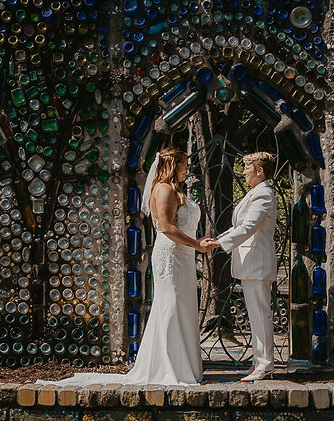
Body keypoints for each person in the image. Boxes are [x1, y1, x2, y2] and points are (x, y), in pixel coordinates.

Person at [37, 147, 208, 386]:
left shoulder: (175, 190)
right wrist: (197, 244)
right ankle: (168, 365)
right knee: (171, 305)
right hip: (172, 255)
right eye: (184, 165)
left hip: (184, 256)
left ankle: (184, 364)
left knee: (182, 305)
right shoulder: (165, 189)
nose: (187, 169)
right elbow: (167, 228)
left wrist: (195, 245)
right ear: (172, 165)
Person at [201, 152, 278, 382]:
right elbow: (242, 226)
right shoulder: (255, 193)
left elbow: (249, 228)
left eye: (247, 168)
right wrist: (217, 238)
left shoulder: (263, 194)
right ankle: (258, 361)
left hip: (257, 263)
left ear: (260, 170)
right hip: (251, 264)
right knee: (256, 315)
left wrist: (217, 242)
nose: (243, 172)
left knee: (260, 314)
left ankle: (265, 364)